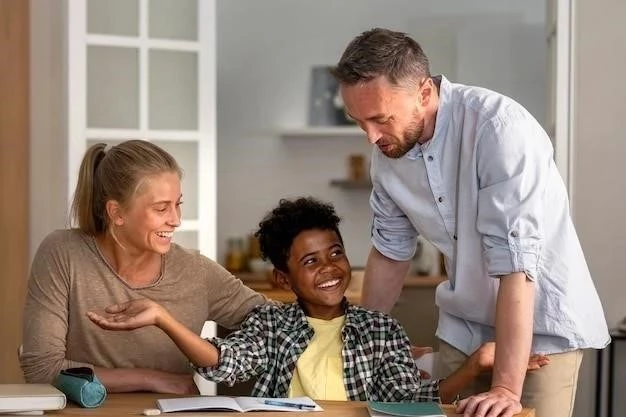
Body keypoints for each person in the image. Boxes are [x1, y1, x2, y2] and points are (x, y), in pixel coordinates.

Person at [331, 28, 609, 417]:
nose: (370, 137)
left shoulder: (499, 130)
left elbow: (516, 267)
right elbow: (390, 252)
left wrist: (506, 389)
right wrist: (365, 342)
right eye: (359, 122)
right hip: (463, 329)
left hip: (539, 336)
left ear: (424, 93)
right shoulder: (387, 149)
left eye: (380, 119)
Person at [87, 197, 548, 402]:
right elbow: (221, 362)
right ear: (283, 278)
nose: (329, 268)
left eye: (335, 253)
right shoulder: (270, 324)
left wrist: (477, 365)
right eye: (310, 262)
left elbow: (410, 402)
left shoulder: (380, 329)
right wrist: (165, 318)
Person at [20, 140, 267, 394]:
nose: (176, 220)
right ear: (116, 213)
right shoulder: (63, 253)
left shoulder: (197, 272)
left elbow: (277, 324)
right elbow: (42, 369)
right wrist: (154, 380)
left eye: (177, 204)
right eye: (161, 208)